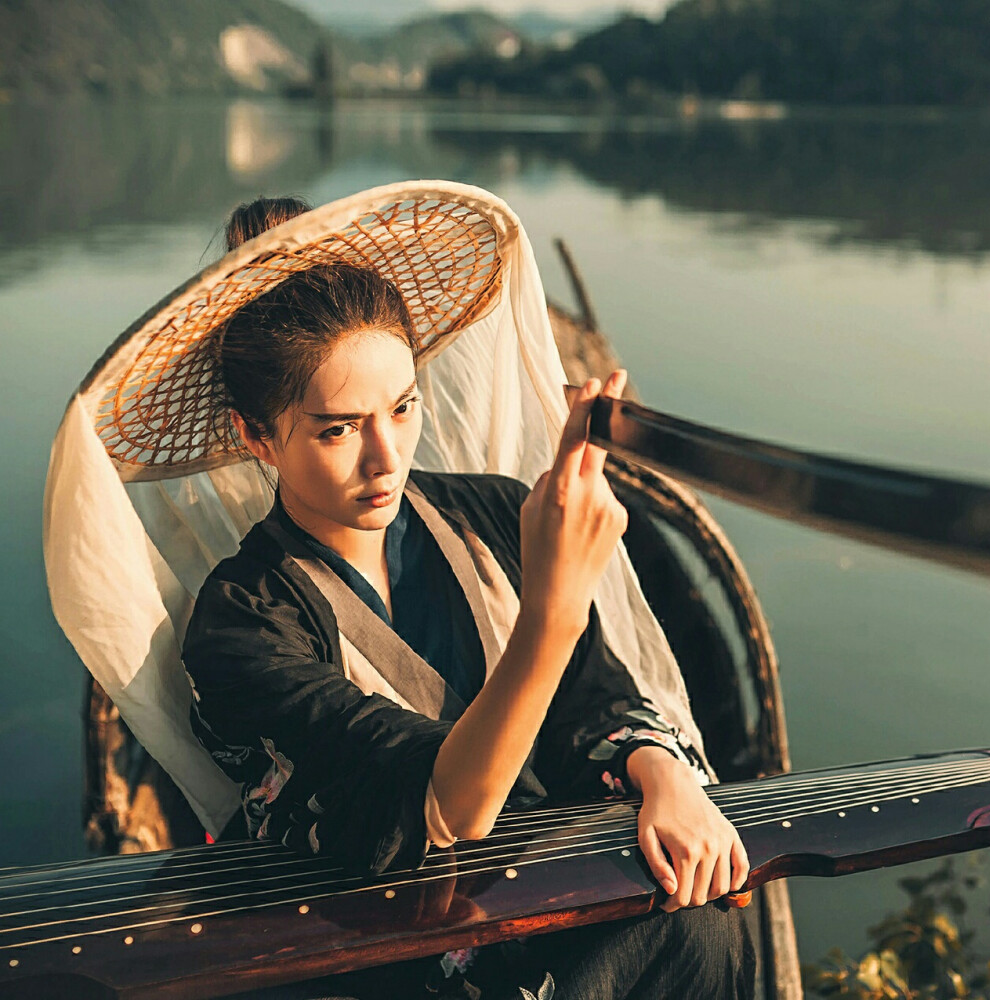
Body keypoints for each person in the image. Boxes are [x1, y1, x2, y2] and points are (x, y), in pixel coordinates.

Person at [178, 196, 756, 1000]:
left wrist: (665, 779)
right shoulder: (243, 619)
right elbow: (439, 809)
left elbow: (594, 699)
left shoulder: (487, 512)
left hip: (539, 894)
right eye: (338, 429)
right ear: (257, 436)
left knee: (699, 912)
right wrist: (553, 610)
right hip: (378, 950)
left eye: (404, 407)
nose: (386, 458)